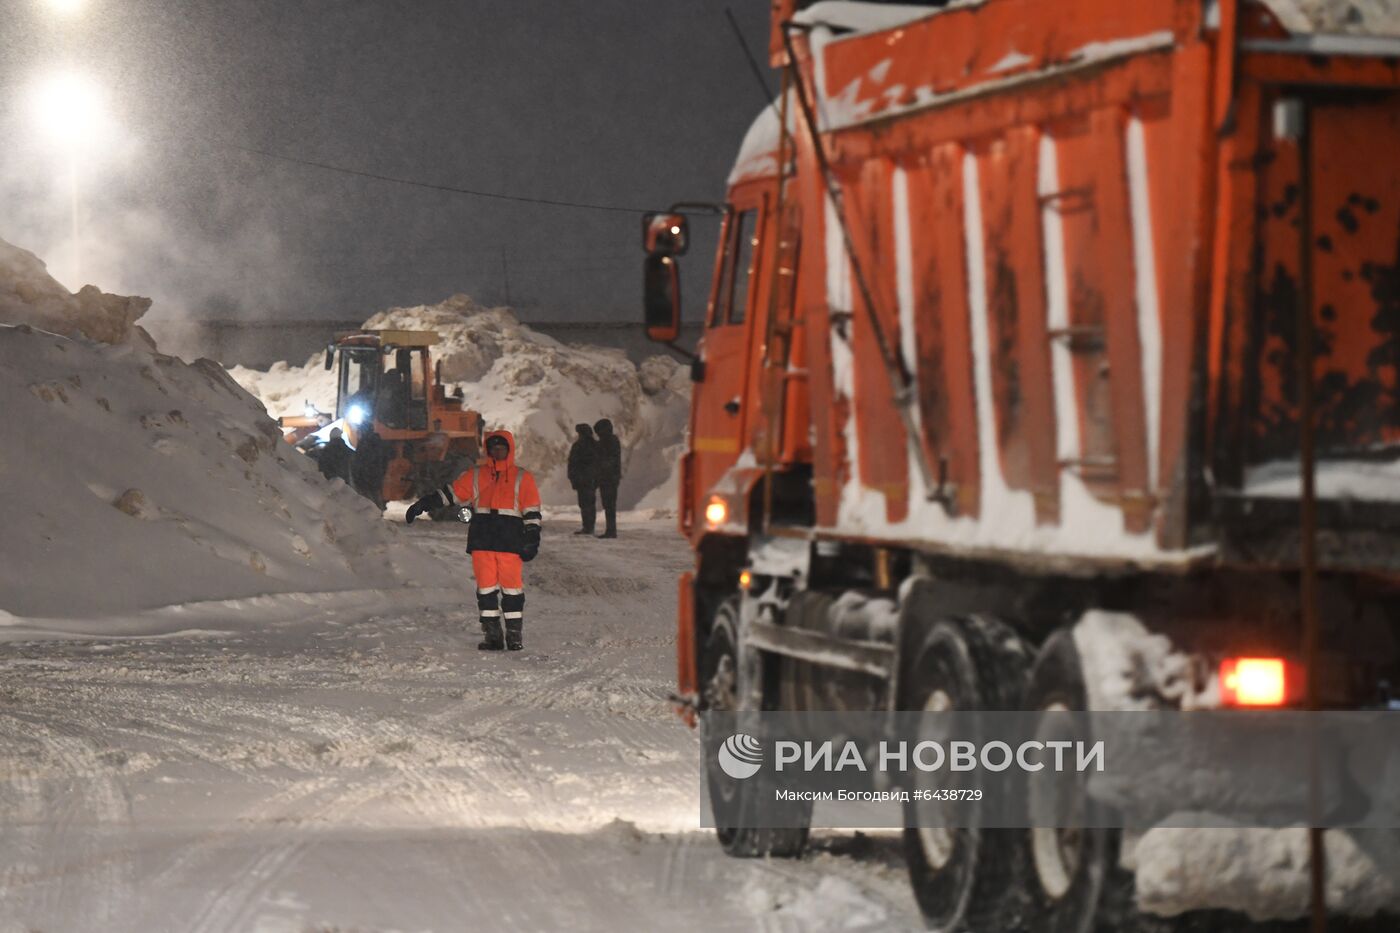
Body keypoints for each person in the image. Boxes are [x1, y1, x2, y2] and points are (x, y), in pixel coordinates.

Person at [405, 431, 542, 652]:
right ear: (488, 451)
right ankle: (493, 635)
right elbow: (451, 494)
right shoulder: (476, 475)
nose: (497, 452)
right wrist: (423, 504)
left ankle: (514, 635)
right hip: (483, 540)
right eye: (493, 448)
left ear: (509, 450)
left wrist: (532, 536)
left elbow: (532, 511)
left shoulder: (522, 478)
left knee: (512, 590)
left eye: (502, 448)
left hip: (509, 541)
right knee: (486, 590)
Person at [566, 423, 599, 535]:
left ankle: (587, 527)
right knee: (590, 504)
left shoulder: (578, 445)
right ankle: (590, 527)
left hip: (582, 480)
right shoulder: (595, 445)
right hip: (591, 480)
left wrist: (573, 479)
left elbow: (572, 464)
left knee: (584, 504)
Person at [593, 418, 621, 539]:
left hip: (608, 478)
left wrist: (601, 468)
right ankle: (610, 530)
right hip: (609, 477)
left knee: (609, 505)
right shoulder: (610, 441)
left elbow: (609, 460)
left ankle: (611, 530)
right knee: (608, 505)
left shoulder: (609, 441)